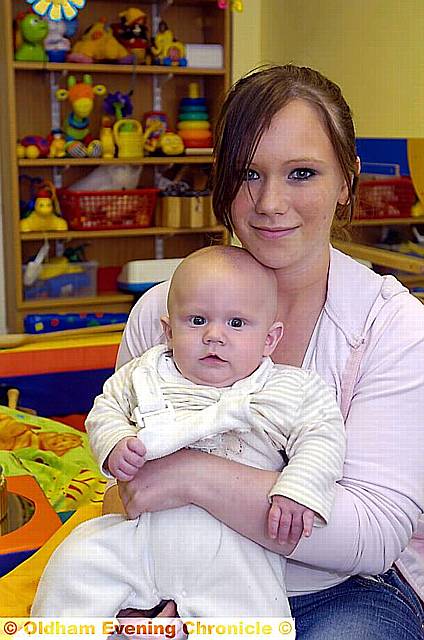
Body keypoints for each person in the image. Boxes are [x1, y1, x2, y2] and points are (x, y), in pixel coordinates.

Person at [106, 65, 424, 639]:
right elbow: (123, 482)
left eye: (301, 173)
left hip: (342, 588)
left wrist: (191, 474)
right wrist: (151, 581)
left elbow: (375, 534)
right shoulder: (162, 313)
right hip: (185, 567)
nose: (270, 203)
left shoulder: (392, 325)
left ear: (347, 180)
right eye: (248, 173)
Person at [31, 245, 345, 619]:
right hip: (141, 538)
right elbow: (107, 408)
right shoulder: (146, 375)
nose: (214, 336)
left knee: (254, 615)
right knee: (75, 563)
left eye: (237, 323)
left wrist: (300, 488)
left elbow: (323, 436)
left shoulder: (288, 389)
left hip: (234, 549)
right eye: (197, 321)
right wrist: (115, 441)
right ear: (168, 331)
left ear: (270, 340)